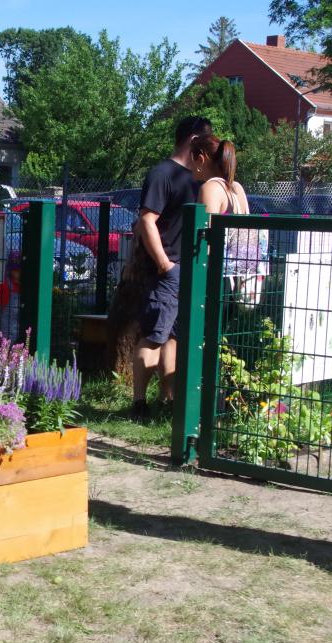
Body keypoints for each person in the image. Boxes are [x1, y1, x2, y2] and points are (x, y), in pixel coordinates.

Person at [131, 115, 213, 420]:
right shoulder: (162, 174)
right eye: (208, 139)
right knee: (155, 335)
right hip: (167, 271)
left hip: (188, 270)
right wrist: (165, 264)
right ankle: (139, 403)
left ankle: (167, 402)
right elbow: (146, 221)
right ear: (193, 140)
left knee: (175, 337)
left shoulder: (198, 177)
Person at [190, 134, 266, 305]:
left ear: (201, 159)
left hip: (217, 280)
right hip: (240, 278)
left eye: (192, 160)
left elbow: (205, 242)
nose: (190, 167)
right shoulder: (237, 187)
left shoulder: (210, 188)